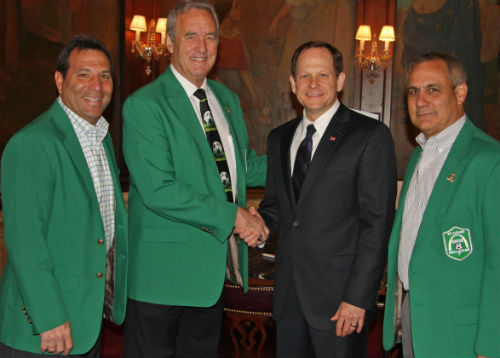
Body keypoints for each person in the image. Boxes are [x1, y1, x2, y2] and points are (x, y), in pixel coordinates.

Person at [121, 1, 267, 357]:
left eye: (210, 37)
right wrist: (234, 216)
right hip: (161, 280)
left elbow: (240, 166)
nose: (202, 47)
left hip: (209, 278)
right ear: (169, 42)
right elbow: (159, 189)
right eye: (191, 36)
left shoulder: (226, 98)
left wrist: (302, 155)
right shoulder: (145, 105)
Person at [258, 41, 397, 357]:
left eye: (323, 74)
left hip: (340, 303)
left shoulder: (370, 136)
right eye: (304, 76)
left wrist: (359, 298)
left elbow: (376, 225)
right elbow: (277, 205)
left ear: (340, 80)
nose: (313, 84)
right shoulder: (279, 138)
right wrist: (261, 223)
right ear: (293, 84)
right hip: (289, 296)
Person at [0, 34, 128, 357]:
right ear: (59, 81)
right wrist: (49, 316)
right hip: (45, 331)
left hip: (87, 319)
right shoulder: (33, 144)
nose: (96, 86)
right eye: (83, 74)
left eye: (104, 75)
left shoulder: (101, 139)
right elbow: (25, 241)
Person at [382, 52, 500, 358]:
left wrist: (490, 347)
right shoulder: (421, 155)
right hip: (415, 317)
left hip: (461, 333)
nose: (421, 100)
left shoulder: (488, 160)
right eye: (413, 91)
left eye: (433, 89)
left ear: (460, 93)